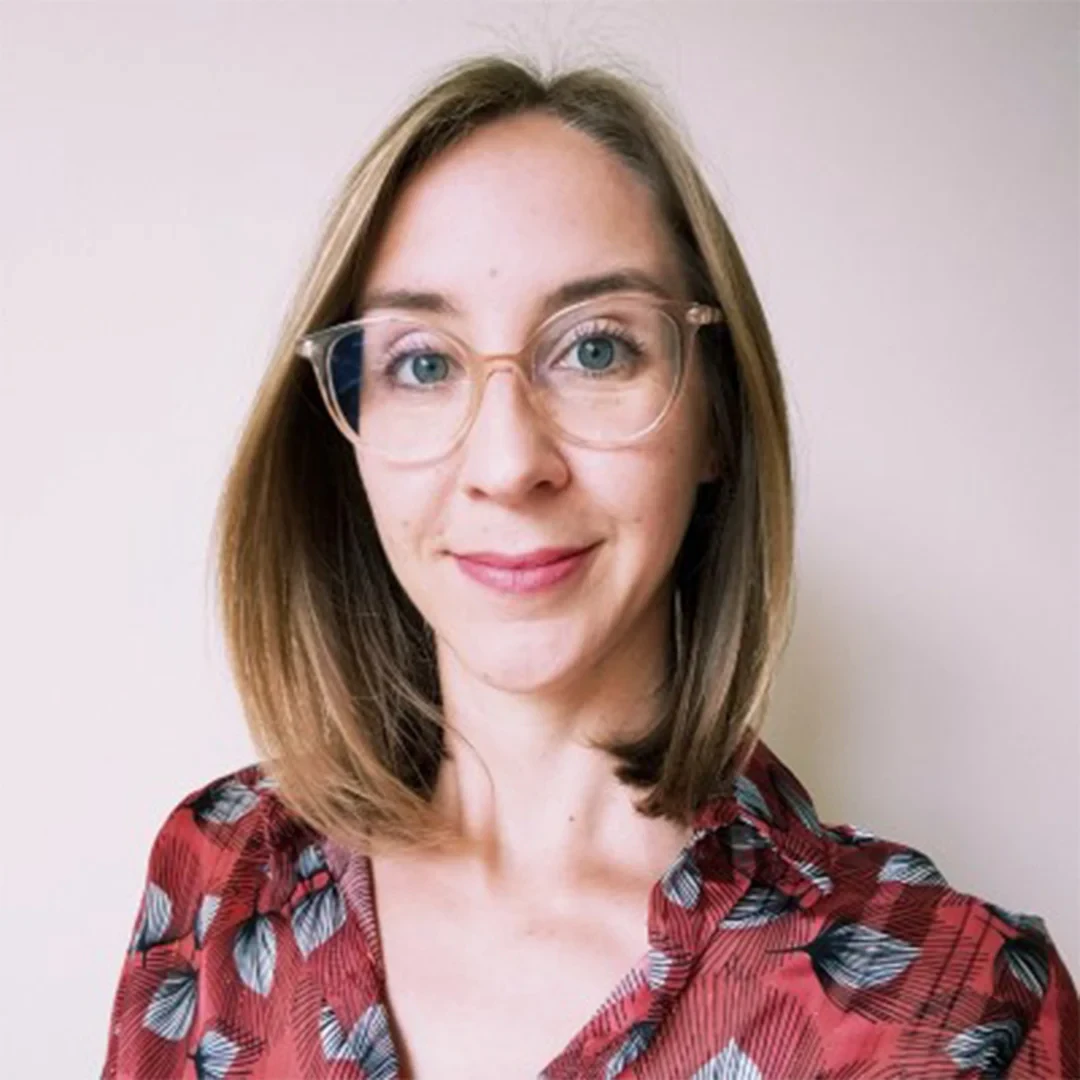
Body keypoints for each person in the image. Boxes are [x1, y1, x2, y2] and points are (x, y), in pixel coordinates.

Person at [101, 54, 1077, 1080]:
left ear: (717, 418)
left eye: (597, 350)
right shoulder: (221, 879)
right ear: (345, 434)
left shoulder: (952, 1008)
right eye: (423, 363)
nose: (509, 463)